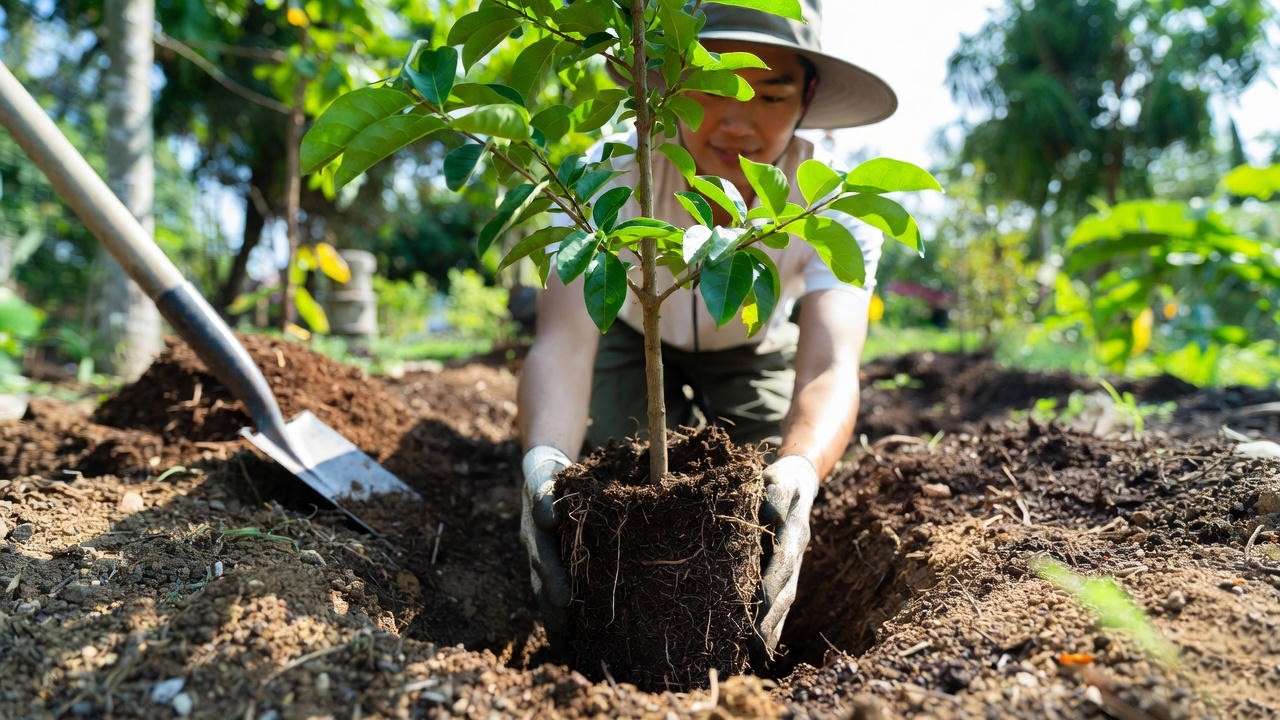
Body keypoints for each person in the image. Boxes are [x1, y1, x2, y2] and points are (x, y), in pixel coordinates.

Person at [518, 0, 898, 654]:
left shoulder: (834, 206)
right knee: (615, 476)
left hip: (752, 348)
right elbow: (562, 340)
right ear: (665, 83)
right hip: (625, 332)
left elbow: (832, 364)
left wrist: (803, 470)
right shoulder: (598, 181)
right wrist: (543, 461)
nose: (737, 123)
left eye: (771, 95)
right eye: (713, 85)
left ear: (807, 97)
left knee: (759, 498)